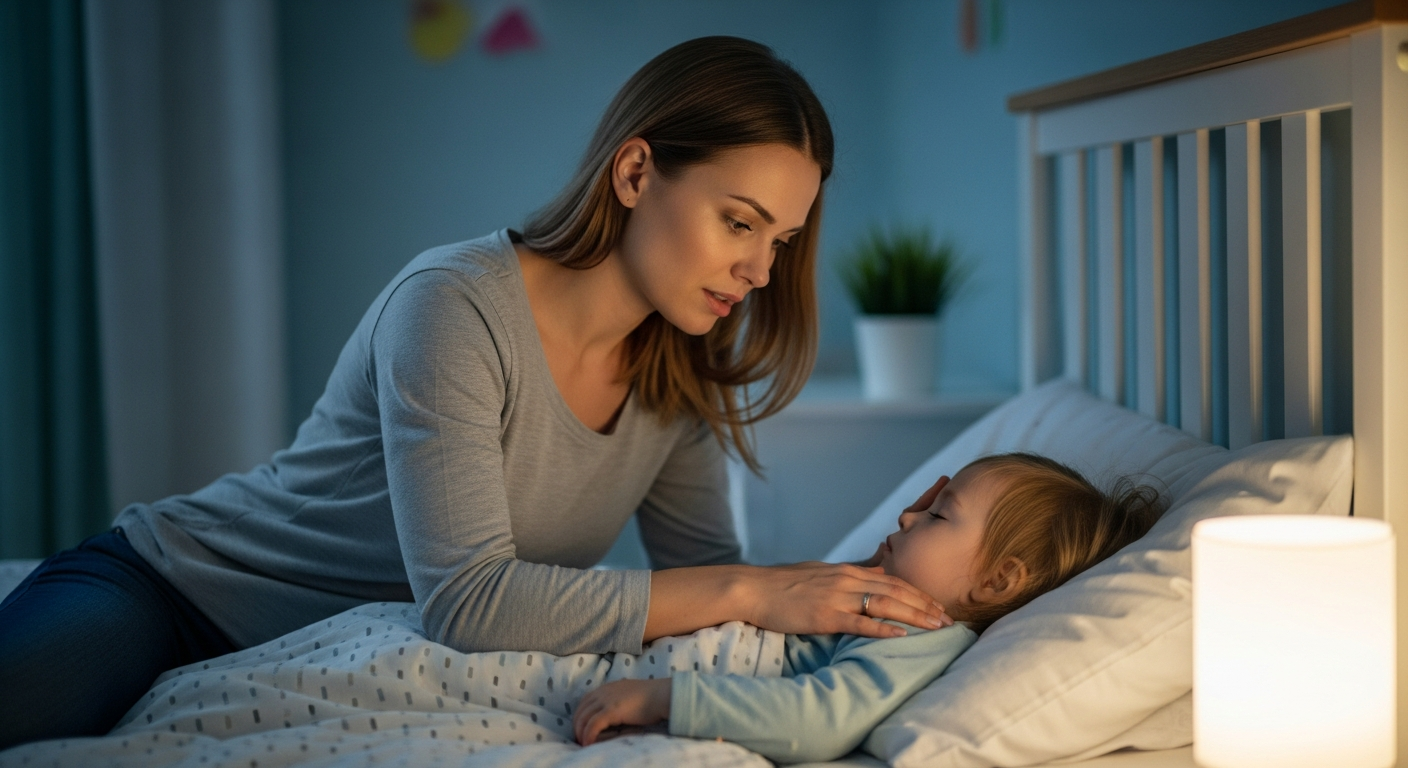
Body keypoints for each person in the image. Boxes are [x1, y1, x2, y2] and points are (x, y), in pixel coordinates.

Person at [0, 36, 952, 751]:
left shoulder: (680, 377)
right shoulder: (451, 305)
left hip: (313, 667)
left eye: (780, 239)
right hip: (174, 591)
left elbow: (702, 588)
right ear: (635, 171)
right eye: (739, 221)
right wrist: (756, 586)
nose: (758, 267)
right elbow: (467, 602)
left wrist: (870, 631)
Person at [570, 452, 1165, 764]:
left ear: (998, 581)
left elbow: (821, 719)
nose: (907, 515)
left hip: (640, 682)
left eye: (937, 515)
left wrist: (666, 698)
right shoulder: (883, 599)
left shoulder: (919, 633)